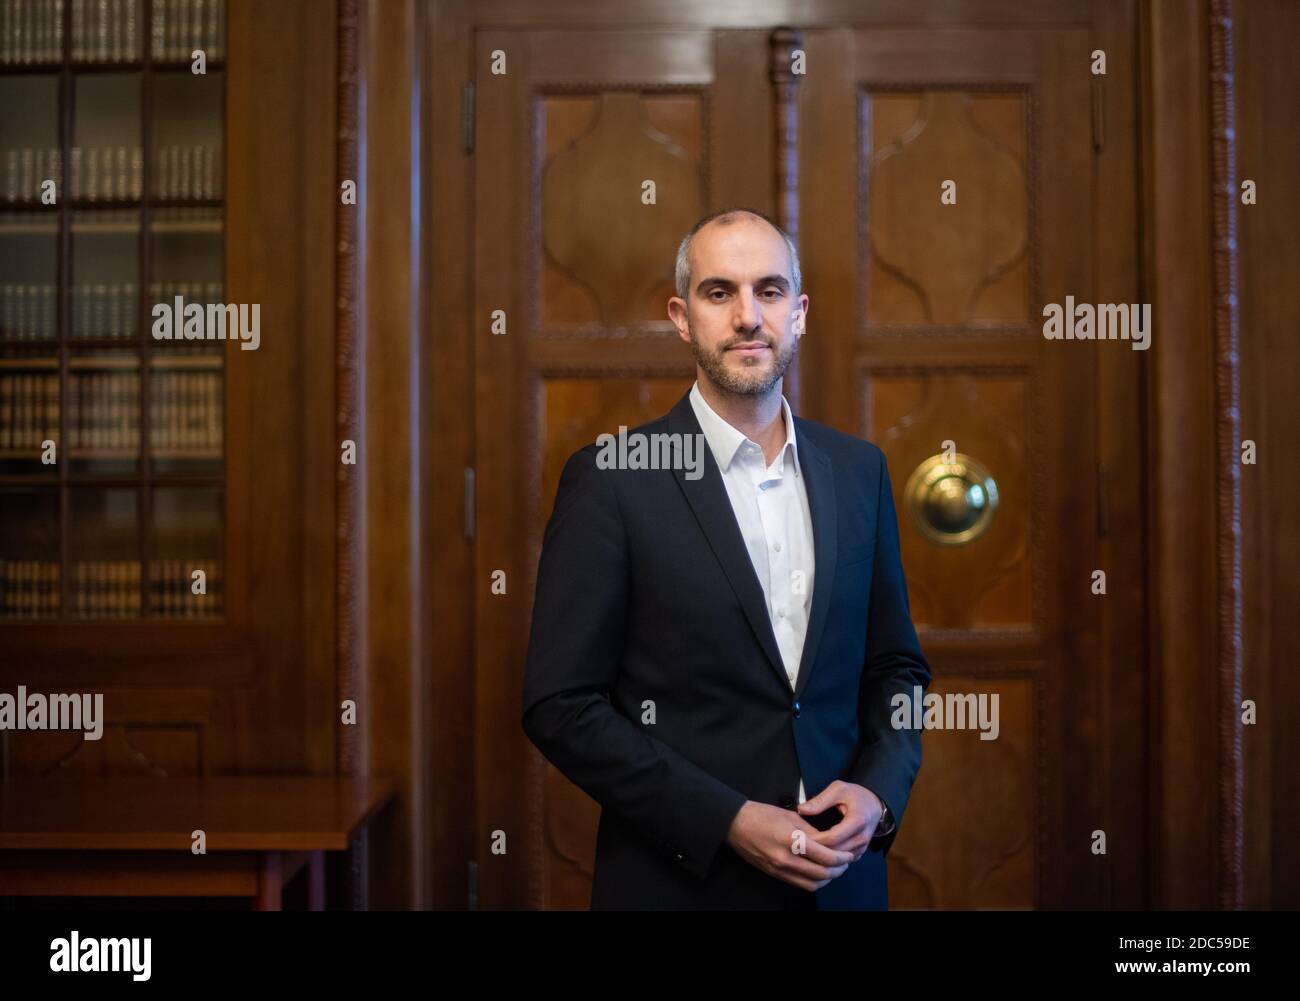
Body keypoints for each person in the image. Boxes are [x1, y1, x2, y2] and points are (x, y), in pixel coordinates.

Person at [522, 207, 931, 910]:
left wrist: (879, 793)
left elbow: (897, 668)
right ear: (682, 316)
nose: (748, 316)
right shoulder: (613, 478)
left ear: (798, 313)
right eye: (720, 292)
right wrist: (727, 820)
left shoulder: (859, 470)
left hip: (843, 886)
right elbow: (561, 705)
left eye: (770, 291)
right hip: (681, 884)